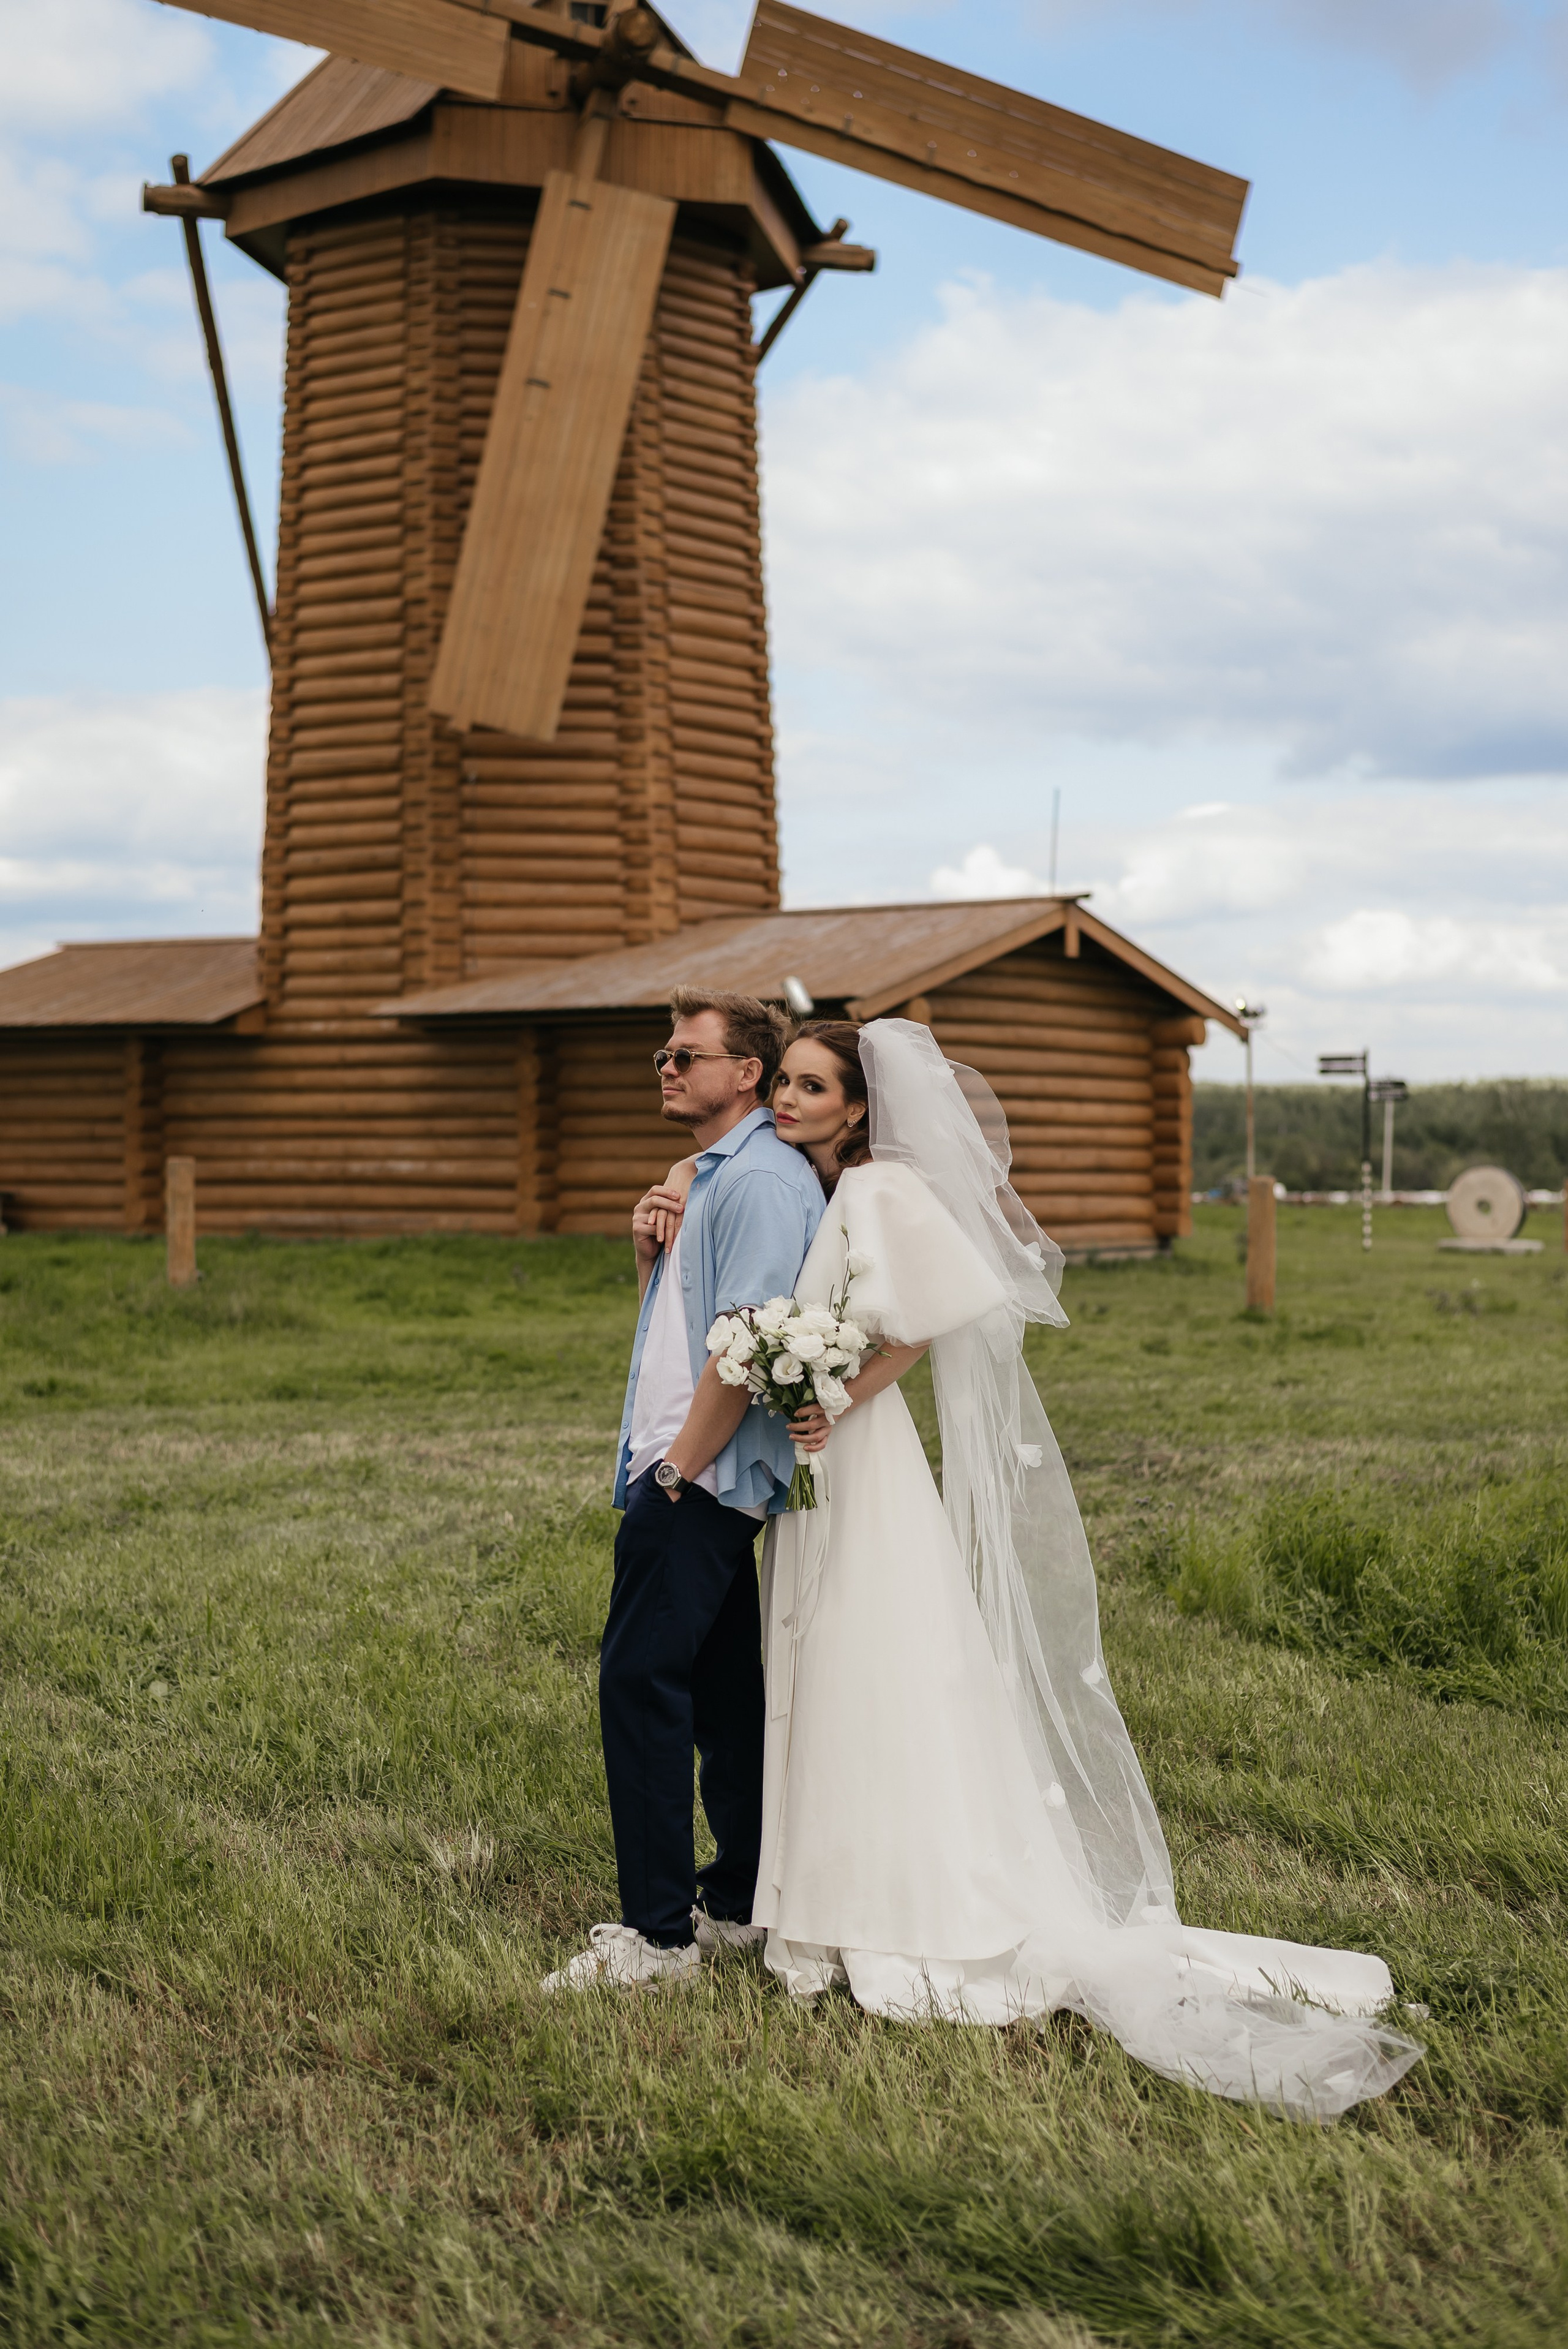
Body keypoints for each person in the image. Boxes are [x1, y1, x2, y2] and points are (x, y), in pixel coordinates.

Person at [663, 1017, 1423, 2119]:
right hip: (826, 1461)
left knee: (865, 1660)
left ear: (859, 1106)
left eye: (812, 1086)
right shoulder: (827, 1189)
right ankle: (819, 1901)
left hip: (860, 1461)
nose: (789, 1099)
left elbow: (936, 1316)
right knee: (823, 1661)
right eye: (782, 1082)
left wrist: (833, 1394)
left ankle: (896, 1905)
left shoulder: (877, 1193)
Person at [543, 987, 824, 1993]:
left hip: (697, 1478)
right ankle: (741, 1902)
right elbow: (687, 1330)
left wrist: (676, 1472)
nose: (666, 1068)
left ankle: (659, 1937)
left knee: (638, 1686)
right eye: (662, 1056)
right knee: (719, 1696)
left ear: (746, 1072)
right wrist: (646, 1258)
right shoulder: (714, 1176)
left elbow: (746, 1349)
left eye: (685, 1055)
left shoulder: (753, 1184)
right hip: (693, 1468)